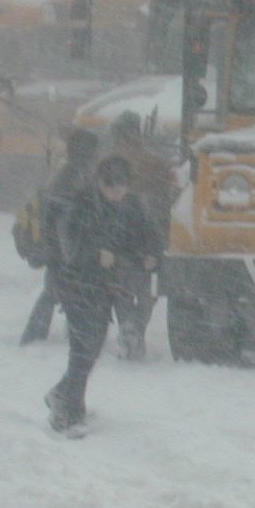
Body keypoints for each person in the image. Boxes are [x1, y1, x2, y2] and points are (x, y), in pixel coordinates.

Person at [45, 155, 161, 432]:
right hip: (75, 283)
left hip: (103, 285)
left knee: (91, 347)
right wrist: (95, 255)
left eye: (122, 187)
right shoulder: (80, 205)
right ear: (99, 182)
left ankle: (66, 398)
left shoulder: (130, 205)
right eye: (111, 187)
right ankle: (66, 412)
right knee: (84, 347)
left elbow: (147, 233)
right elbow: (68, 247)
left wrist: (151, 253)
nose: (117, 193)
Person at [20, 127, 101, 345]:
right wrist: (68, 253)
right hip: (62, 246)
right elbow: (64, 218)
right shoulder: (72, 176)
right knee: (55, 291)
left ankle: (38, 333)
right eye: (94, 151)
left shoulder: (71, 173)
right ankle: (35, 335)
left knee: (55, 291)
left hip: (58, 244)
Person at [107, 112, 176, 356]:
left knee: (120, 289)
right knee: (148, 292)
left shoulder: (106, 164)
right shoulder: (157, 163)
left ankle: (128, 326)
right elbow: (170, 197)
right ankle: (137, 327)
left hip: (116, 239)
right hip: (152, 239)